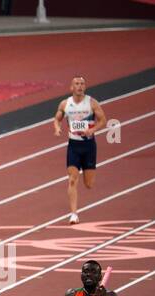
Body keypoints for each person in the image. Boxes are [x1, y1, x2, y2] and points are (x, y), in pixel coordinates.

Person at [53, 76, 105, 224]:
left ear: (85, 87)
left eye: (82, 84)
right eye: (77, 84)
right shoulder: (65, 104)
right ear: (71, 87)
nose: (80, 86)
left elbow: (103, 120)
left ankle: (86, 173)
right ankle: (74, 214)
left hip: (89, 146)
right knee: (72, 179)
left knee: (89, 184)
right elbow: (57, 118)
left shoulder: (92, 103)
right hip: (74, 147)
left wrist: (93, 129)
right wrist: (57, 128)